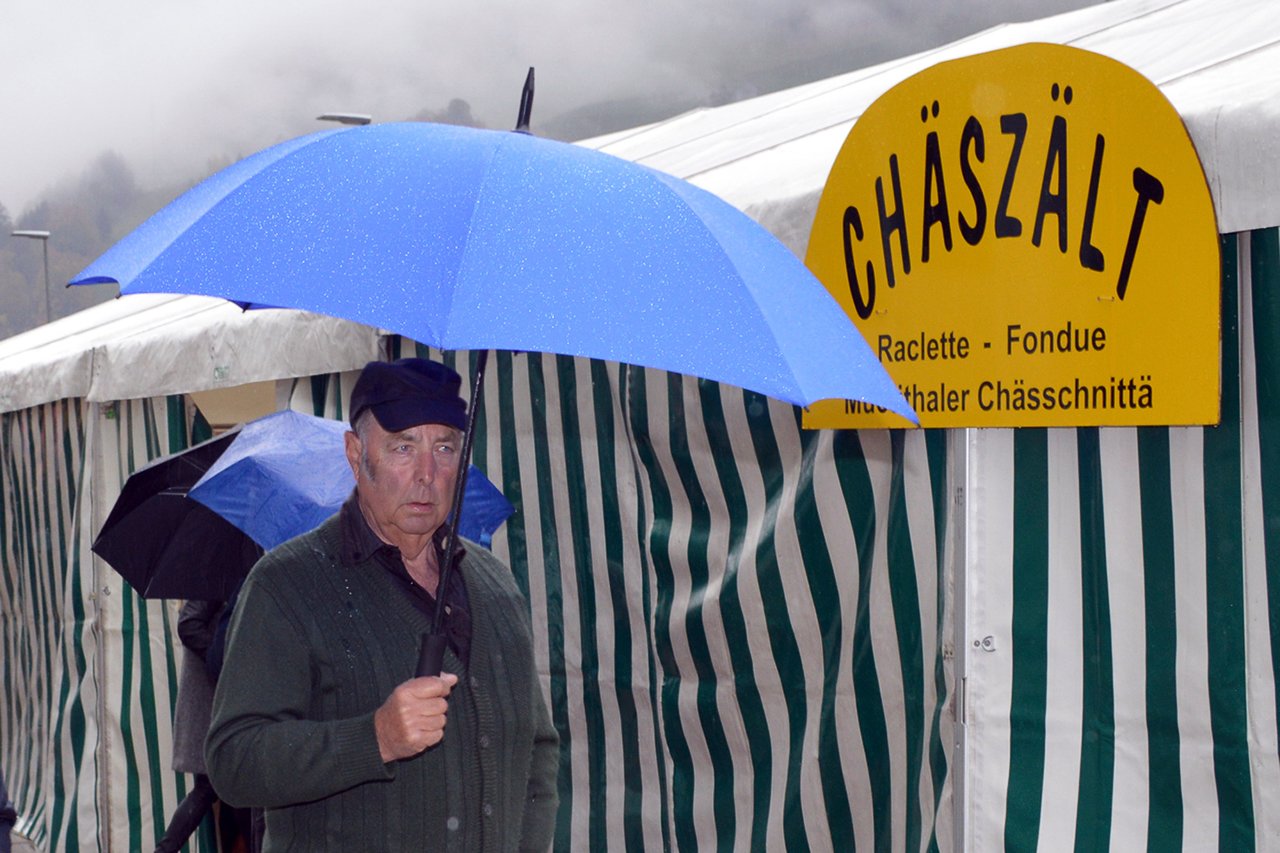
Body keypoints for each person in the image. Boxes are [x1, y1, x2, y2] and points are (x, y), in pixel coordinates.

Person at [205, 358, 559, 852]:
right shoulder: (287, 585)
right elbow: (234, 760)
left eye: (444, 448)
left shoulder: (495, 584)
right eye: (403, 447)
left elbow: (537, 751)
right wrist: (375, 738)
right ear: (355, 454)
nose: (426, 474)